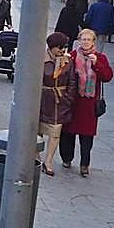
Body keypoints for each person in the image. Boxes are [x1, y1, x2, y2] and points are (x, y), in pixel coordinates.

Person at [60, 28, 114, 176]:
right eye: (83, 39)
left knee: (87, 136)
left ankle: (84, 164)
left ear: (93, 42)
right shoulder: (71, 56)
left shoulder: (100, 57)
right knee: (68, 133)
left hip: (89, 103)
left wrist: (96, 64)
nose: (85, 42)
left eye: (88, 40)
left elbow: (108, 76)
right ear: (79, 40)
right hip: (73, 101)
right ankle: (66, 158)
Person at [40, 32, 77, 176]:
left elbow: (72, 81)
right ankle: (36, 157)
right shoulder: (40, 59)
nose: (62, 50)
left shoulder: (67, 62)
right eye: (59, 47)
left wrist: (68, 99)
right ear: (51, 47)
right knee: (37, 131)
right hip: (43, 99)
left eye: (64, 47)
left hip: (59, 101)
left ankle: (48, 161)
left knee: (55, 132)